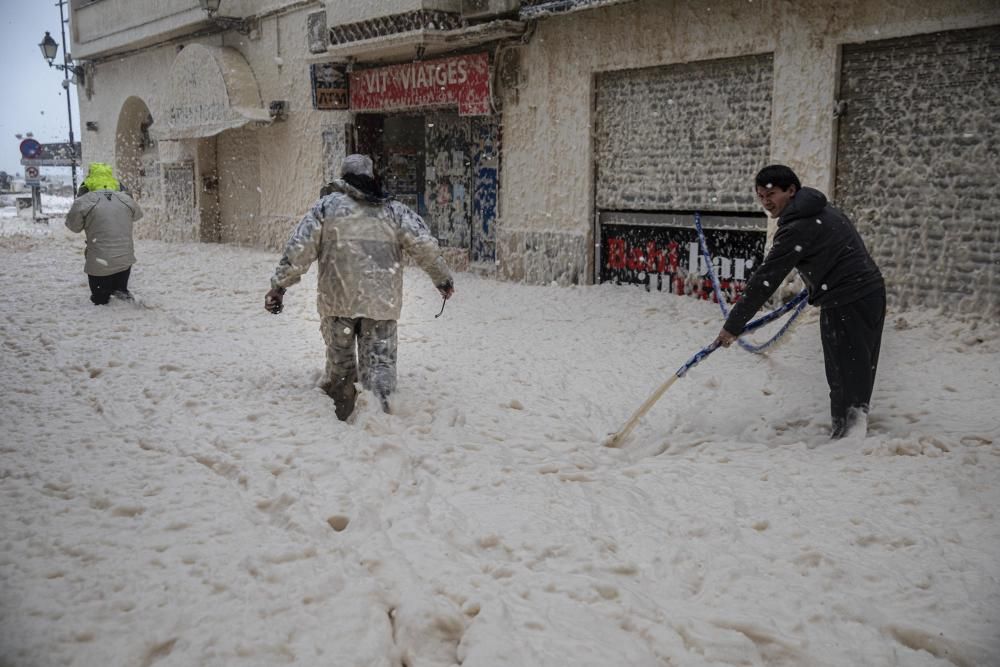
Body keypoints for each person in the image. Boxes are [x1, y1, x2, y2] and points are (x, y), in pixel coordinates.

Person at [265, 154, 454, 421]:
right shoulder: (392, 210)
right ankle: (380, 418)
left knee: (341, 366)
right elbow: (424, 245)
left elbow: (299, 249)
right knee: (380, 368)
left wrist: (279, 286)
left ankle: (342, 412)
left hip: (337, 302)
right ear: (370, 175)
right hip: (380, 303)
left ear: (343, 176)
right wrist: (442, 278)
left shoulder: (326, 208)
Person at [714, 165, 886, 439]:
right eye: (760, 196)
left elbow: (765, 280)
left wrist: (732, 326)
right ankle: (854, 425)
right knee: (859, 368)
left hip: (847, 299)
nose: (766, 201)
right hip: (869, 292)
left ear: (791, 191)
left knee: (844, 372)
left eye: (771, 193)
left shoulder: (797, 227)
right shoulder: (820, 208)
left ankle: (848, 440)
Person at [65, 163, 143, 305]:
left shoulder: (84, 201)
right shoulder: (125, 199)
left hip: (99, 263)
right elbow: (137, 215)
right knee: (121, 297)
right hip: (125, 261)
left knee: (100, 303)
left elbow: (73, 227)